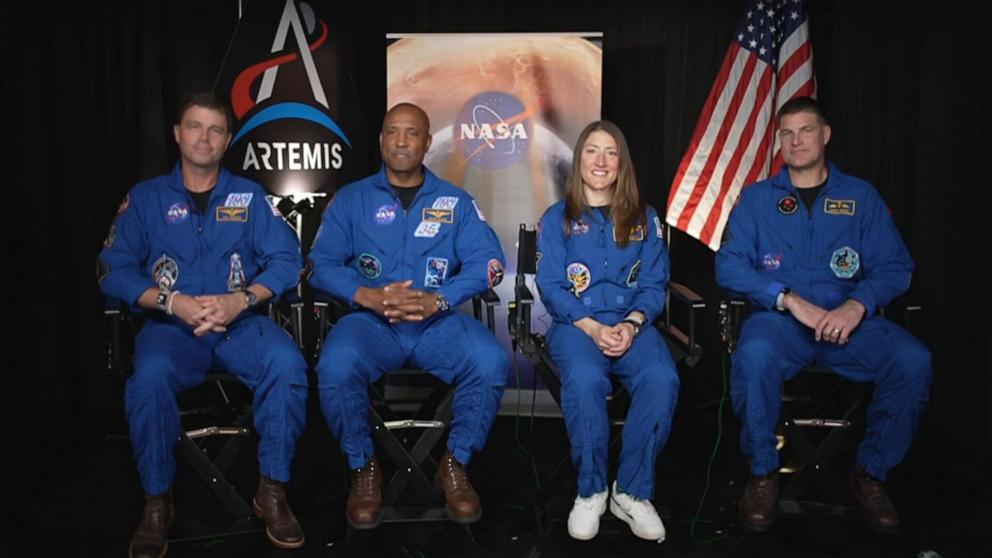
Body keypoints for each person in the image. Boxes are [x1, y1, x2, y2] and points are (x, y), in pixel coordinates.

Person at [98, 93, 308, 556]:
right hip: (172, 330)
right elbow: (111, 270)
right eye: (195, 126)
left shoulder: (249, 196)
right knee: (147, 379)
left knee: (287, 365)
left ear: (227, 140)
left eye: (215, 129)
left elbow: (287, 260)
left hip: (241, 324)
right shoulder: (147, 197)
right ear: (177, 133)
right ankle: (158, 501)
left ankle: (271, 491)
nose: (204, 137)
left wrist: (241, 299)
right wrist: (171, 302)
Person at [716, 96, 932, 534]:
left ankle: (870, 473)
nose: (796, 141)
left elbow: (896, 266)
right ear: (779, 141)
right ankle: (762, 471)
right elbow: (729, 265)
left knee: (913, 361)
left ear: (825, 134)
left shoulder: (860, 197)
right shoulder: (758, 200)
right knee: (753, 355)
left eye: (806, 130)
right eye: (787, 133)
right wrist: (788, 299)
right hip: (781, 326)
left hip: (850, 326)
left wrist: (857, 305)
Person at [308, 103, 508, 528]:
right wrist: (365, 295)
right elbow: (319, 264)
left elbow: (489, 262)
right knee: (335, 365)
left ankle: (455, 463)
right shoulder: (352, 200)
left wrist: (441, 299)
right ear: (380, 141)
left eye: (411, 133)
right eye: (392, 132)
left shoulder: (455, 203)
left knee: (490, 361)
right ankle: (363, 466)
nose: (401, 141)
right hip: (371, 324)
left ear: (427, 143)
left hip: (436, 323)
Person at [535, 121, 678, 542]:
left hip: (633, 324)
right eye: (592, 151)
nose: (601, 161)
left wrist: (632, 325)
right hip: (576, 325)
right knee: (583, 379)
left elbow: (654, 284)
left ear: (622, 163)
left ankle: (631, 492)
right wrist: (593, 327)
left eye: (611, 152)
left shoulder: (644, 218)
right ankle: (592, 490)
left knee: (662, 378)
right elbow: (551, 285)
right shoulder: (557, 218)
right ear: (579, 161)